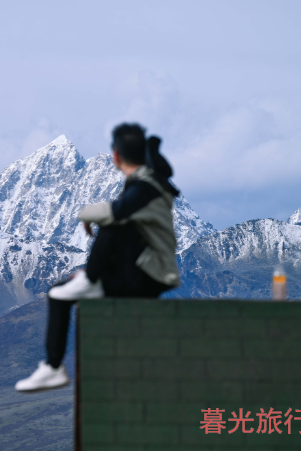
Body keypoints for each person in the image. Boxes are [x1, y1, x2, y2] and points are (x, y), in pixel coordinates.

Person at [15, 122, 181, 393]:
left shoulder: (147, 187)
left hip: (152, 277)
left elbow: (118, 211)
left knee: (112, 221)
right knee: (58, 293)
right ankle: (53, 367)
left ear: (116, 155)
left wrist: (87, 214)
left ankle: (90, 280)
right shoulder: (145, 184)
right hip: (140, 271)